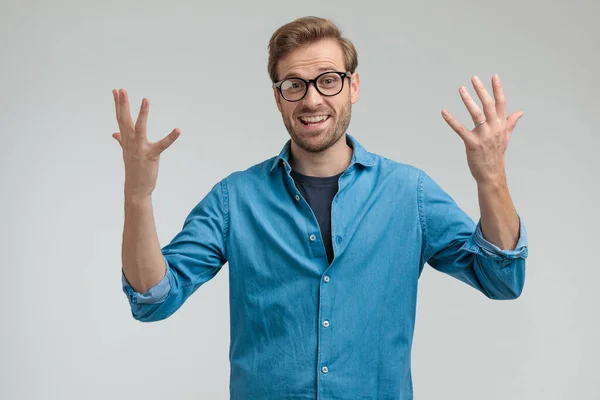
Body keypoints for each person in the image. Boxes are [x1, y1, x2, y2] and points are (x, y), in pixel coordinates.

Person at [113, 16, 528, 400]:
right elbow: (152, 299)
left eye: (328, 80)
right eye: (294, 84)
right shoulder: (234, 200)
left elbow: (500, 278)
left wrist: (492, 178)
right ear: (278, 98)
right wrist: (137, 195)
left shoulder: (409, 193)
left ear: (354, 86)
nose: (312, 99)